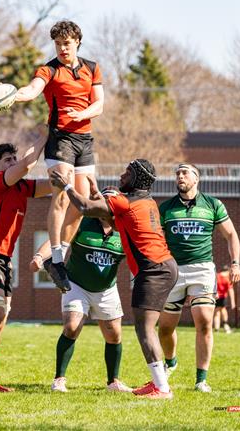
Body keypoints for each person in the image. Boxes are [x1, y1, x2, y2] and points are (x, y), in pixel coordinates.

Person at [50, 159, 178, 399]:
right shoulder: (147, 201)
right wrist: (100, 194)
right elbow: (114, 220)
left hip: (153, 270)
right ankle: (158, 383)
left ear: (137, 178)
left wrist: (67, 186)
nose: (121, 175)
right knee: (145, 326)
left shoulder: (124, 201)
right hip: (163, 267)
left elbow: (87, 208)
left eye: (127, 172)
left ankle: (162, 388)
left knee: (144, 327)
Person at [15, 20, 104, 292]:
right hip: (60, 139)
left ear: (77, 41)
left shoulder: (91, 67)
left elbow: (99, 104)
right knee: (62, 194)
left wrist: (83, 114)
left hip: (84, 140)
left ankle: (55, 259)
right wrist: (13, 95)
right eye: (58, 44)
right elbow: (32, 90)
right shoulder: (49, 69)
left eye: (67, 43)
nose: (62, 48)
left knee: (83, 203)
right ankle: (56, 257)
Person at [0, 136, 51, 392]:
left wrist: (73, 173)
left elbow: (53, 185)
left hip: (3, 260)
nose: (13, 162)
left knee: (0, 319)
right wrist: (47, 134)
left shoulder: (23, 188)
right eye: (7, 160)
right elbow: (26, 165)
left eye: (14, 158)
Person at [157, 163, 240, 393]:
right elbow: (154, 240)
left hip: (202, 269)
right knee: (164, 328)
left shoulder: (213, 204)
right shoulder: (165, 208)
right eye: (178, 173)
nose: (180, 176)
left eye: (185, 172)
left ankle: (201, 380)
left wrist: (235, 263)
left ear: (197, 179)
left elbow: (231, 234)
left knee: (204, 322)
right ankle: (171, 361)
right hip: (173, 270)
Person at [30, 213, 131, 393]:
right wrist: (39, 256)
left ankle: (113, 382)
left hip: (107, 288)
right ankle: (59, 379)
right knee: (71, 326)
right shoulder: (82, 222)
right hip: (77, 285)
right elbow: (58, 239)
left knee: (114, 335)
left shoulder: (124, 229)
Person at [213, 265, 235, 333]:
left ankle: (217, 328)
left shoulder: (216, 276)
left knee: (216, 312)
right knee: (223, 310)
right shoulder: (227, 279)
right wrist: (233, 302)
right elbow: (230, 290)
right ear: (228, 271)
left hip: (215, 297)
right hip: (222, 297)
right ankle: (225, 325)